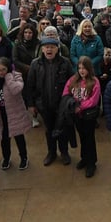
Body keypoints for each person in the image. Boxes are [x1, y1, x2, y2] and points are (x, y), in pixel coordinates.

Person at [26, 34, 74, 167]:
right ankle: (51, 152)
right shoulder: (35, 64)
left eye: (52, 47)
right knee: (49, 129)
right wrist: (30, 104)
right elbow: (30, 85)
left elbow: (72, 82)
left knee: (62, 129)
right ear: (42, 49)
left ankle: (64, 152)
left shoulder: (65, 63)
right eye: (46, 47)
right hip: (43, 104)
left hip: (62, 104)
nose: (49, 50)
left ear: (57, 49)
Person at [63, 56, 101, 177]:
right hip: (76, 115)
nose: (81, 70)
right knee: (82, 137)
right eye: (79, 68)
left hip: (88, 116)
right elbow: (66, 93)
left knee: (89, 138)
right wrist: (72, 105)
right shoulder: (73, 80)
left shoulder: (94, 81)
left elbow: (93, 100)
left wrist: (80, 106)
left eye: (84, 68)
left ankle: (91, 163)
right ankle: (84, 158)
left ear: (89, 68)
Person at [0, 57, 30, 170]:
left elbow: (15, 90)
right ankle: (6, 158)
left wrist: (8, 77)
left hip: (15, 113)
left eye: (3, 69)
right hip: (1, 115)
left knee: (19, 137)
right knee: (4, 139)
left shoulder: (15, 76)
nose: (1, 72)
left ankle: (24, 158)